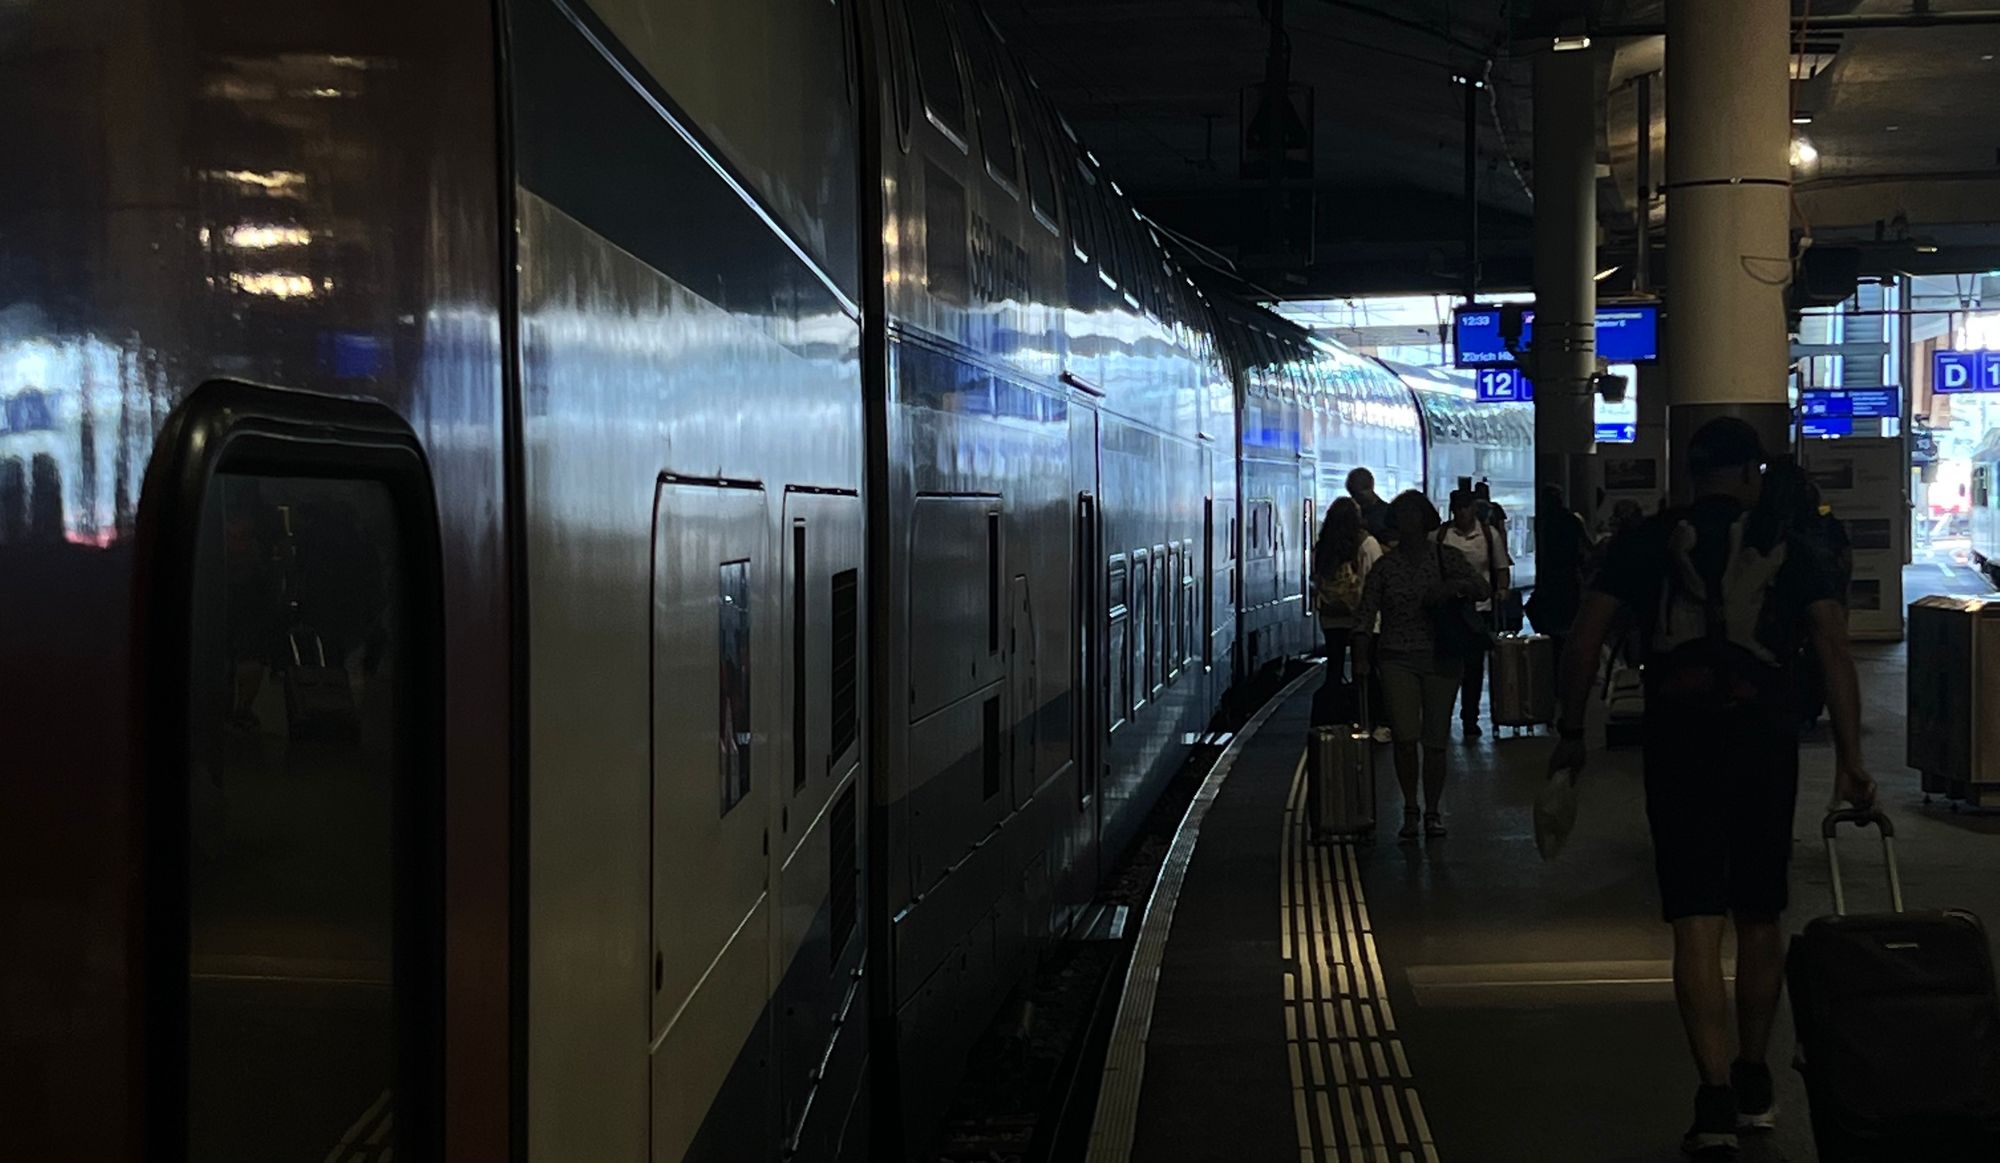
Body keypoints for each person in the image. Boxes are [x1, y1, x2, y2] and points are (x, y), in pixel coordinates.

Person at [1550, 418, 1876, 1158]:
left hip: (1679, 741)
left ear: (1691, 473)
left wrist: (1573, 730)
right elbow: (1831, 643)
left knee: (1696, 919)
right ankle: (1756, 1077)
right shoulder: (1786, 542)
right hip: (1763, 740)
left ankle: (1714, 1097)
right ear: (1752, 474)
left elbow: (1584, 638)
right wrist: (1853, 757)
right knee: (1761, 914)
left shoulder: (1649, 542)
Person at [1353, 490, 1489, 840]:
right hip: (1397, 657)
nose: (1410, 523)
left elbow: (1481, 587)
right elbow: (1366, 612)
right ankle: (1411, 807)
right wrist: (1362, 656)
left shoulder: (1447, 558)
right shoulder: (1386, 567)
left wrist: (1451, 588)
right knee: (1404, 737)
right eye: (1404, 516)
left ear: (1425, 520)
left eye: (1416, 515)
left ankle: (1431, 810)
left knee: (1435, 740)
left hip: (1442, 656)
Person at [1437, 488, 1512, 737]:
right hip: (1449, 610)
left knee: (1473, 666)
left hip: (1479, 610)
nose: (1461, 513)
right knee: (1450, 664)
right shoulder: (1441, 535)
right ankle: (1449, 714)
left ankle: (1470, 717)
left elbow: (1501, 567)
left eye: (1465, 508)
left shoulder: (1488, 536)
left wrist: (1501, 589)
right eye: (1457, 508)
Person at [1312, 496, 1383, 725]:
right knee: (1366, 671)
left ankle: (1332, 721)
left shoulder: (1322, 547)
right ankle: (1369, 719)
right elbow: (1376, 578)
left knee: (1334, 670)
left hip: (1332, 618)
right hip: (1362, 620)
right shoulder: (1366, 543)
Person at [1526, 484, 1588, 661]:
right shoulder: (1571, 519)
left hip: (1551, 578)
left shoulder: (1544, 521)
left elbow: (1542, 552)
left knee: (1543, 616)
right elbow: (1584, 547)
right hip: (1567, 577)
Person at [1346, 466, 1392, 543]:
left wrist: (1369, 542)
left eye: (1358, 494)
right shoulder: (1352, 513)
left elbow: (1395, 550)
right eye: (1352, 494)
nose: (1355, 499)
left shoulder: (1388, 515)